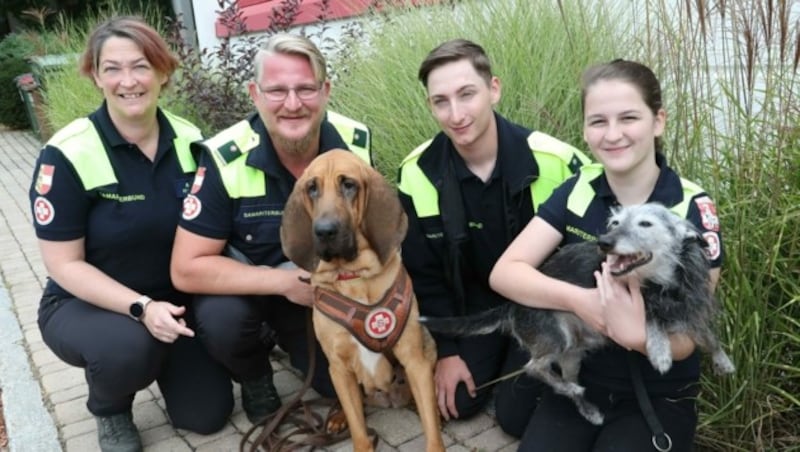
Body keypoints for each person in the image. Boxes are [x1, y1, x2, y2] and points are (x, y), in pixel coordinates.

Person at [489, 59, 724, 451]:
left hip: (657, 389)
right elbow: (505, 273)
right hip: (588, 375)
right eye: (598, 121)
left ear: (658, 120)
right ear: (585, 129)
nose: (612, 134)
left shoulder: (691, 208)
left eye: (628, 117)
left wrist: (634, 333)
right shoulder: (577, 188)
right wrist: (582, 302)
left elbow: (687, 336)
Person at [28, 16, 233, 452]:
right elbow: (63, 264)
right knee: (127, 351)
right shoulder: (66, 153)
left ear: (162, 71)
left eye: (140, 66)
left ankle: (161, 360)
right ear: (96, 76)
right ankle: (110, 405)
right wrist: (141, 307)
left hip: (175, 303)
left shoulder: (191, 141)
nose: (129, 81)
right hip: (87, 303)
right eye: (113, 68)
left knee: (208, 416)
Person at [169, 33, 372, 424]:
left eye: (306, 89)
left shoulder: (354, 144)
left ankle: (303, 353)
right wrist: (280, 282)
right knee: (222, 319)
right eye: (277, 90)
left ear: (325, 91)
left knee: (352, 387)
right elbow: (186, 267)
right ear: (255, 93)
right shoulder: (225, 157)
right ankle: (254, 374)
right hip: (252, 296)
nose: (293, 104)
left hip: (324, 297)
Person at [396, 38, 590, 434]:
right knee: (458, 404)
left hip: (542, 310)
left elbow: (586, 262)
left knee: (515, 420)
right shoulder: (417, 173)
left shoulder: (557, 161)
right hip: (475, 312)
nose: (456, 114)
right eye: (441, 101)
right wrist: (446, 352)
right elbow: (425, 274)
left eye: (467, 94)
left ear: (494, 89)